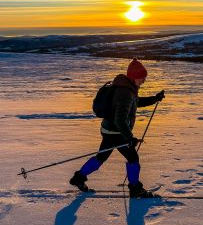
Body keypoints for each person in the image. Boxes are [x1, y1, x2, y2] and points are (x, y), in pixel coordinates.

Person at [69, 58, 165, 197]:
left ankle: (78, 178)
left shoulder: (127, 88)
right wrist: (129, 138)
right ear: (135, 77)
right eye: (142, 78)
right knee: (133, 158)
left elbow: (136, 102)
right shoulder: (125, 92)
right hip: (116, 132)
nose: (144, 81)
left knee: (101, 157)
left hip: (109, 130)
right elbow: (119, 119)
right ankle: (135, 188)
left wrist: (155, 98)